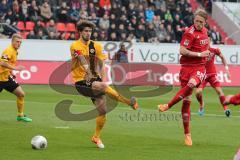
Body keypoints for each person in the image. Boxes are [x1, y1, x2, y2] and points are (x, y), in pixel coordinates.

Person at [70, 21, 138, 149]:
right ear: (80, 32)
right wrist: (90, 72)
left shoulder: (96, 46)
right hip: (80, 81)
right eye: (85, 31)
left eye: (90, 31)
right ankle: (129, 102)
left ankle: (96, 136)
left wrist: (103, 80)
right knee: (103, 87)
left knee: (102, 111)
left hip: (94, 81)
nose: (88, 33)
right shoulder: (75, 45)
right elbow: (82, 60)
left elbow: (101, 64)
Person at [158, 9, 210, 146]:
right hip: (186, 68)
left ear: (205, 23)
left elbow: (205, 47)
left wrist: (206, 54)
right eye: (196, 21)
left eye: (201, 22)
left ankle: (167, 105)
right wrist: (200, 54)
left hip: (199, 68)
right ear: (194, 20)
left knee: (192, 84)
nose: (198, 24)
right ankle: (187, 134)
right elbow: (182, 50)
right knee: (186, 100)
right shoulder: (189, 33)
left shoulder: (205, 32)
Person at [195, 34, 231, 117]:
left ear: (210, 41)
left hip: (211, 75)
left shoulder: (214, 50)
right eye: (205, 41)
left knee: (219, 91)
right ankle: (201, 104)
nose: (206, 42)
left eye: (208, 41)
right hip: (202, 76)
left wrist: (226, 69)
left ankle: (226, 108)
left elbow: (223, 58)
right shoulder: (200, 51)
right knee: (198, 92)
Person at [0, 34, 32, 122]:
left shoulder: (15, 51)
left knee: (21, 94)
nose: (19, 44)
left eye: (20, 42)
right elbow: (2, 63)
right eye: (17, 42)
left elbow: (7, 64)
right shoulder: (8, 50)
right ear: (12, 41)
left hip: (6, 78)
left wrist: (11, 72)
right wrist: (16, 68)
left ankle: (20, 115)